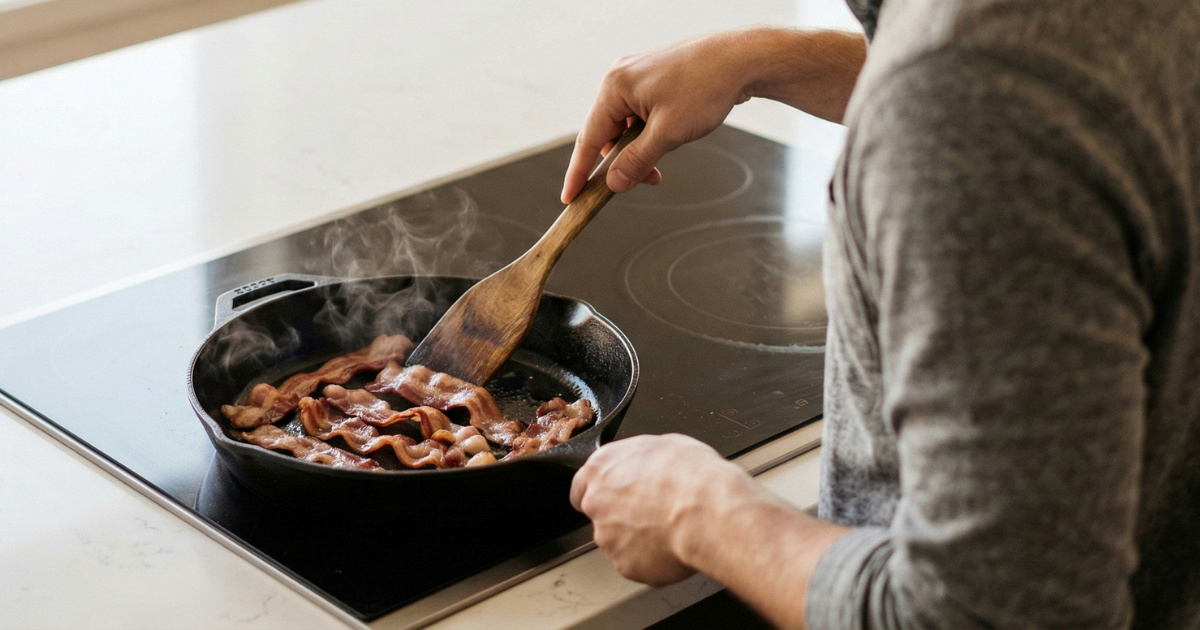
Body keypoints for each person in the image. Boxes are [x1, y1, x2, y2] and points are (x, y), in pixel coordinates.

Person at [562, 0, 1200, 628]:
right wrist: (770, 60)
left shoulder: (974, 105)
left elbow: (992, 616)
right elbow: (1059, 77)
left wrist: (699, 514)